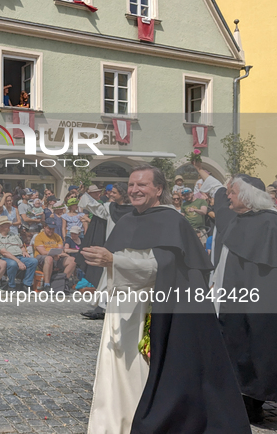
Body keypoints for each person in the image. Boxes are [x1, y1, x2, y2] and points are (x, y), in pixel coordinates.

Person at [83, 164, 250, 434]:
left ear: (159, 189)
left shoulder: (172, 221)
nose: (134, 190)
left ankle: (138, 421)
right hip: (120, 309)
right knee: (117, 371)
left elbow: (159, 269)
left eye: (142, 185)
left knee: (139, 370)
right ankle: (115, 423)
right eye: (131, 184)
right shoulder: (127, 219)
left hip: (150, 309)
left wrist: (114, 259)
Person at [194, 162, 277, 423]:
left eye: (232, 192)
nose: (227, 195)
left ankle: (256, 401)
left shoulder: (270, 223)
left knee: (261, 349)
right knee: (237, 346)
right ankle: (244, 403)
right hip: (232, 299)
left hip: (261, 302)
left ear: (246, 196)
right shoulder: (237, 218)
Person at [76, 182, 134, 320]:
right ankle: (101, 308)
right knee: (106, 280)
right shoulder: (109, 207)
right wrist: (84, 195)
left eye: (114, 192)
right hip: (112, 248)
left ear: (123, 194)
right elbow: (97, 209)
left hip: (129, 250)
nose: (110, 194)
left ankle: (107, 308)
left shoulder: (136, 211)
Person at [0, 216, 38, 290]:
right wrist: (18, 261)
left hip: (20, 256)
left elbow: (21, 246)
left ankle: (26, 284)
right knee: (13, 264)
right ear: (1, 226)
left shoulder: (13, 234)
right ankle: (11, 285)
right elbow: (4, 253)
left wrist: (24, 251)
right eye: (7, 224)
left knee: (33, 261)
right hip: (7, 258)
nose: (9, 226)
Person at [33, 217, 76, 290]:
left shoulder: (57, 237)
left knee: (72, 260)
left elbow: (60, 250)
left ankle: (63, 282)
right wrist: (54, 255)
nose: (51, 231)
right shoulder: (39, 237)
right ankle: (47, 284)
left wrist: (58, 254)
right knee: (49, 258)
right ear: (44, 227)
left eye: (53, 229)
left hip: (56, 256)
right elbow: (42, 252)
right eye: (49, 228)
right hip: (42, 257)